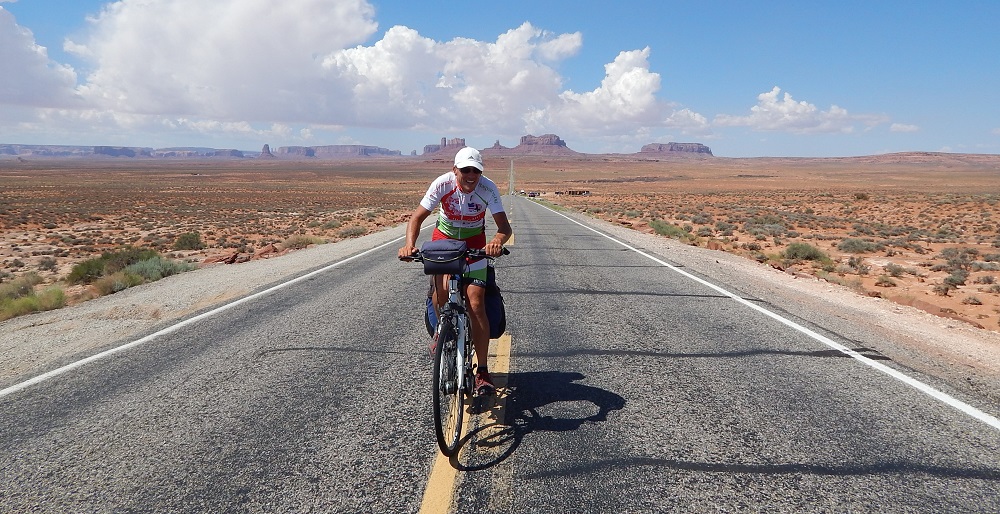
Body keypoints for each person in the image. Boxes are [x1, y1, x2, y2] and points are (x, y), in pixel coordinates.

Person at [398, 147, 512, 394]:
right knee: (440, 292)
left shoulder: (488, 188)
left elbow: (505, 228)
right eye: (465, 170)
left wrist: (496, 242)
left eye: (476, 170)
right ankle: (442, 330)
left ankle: (482, 371)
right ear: (455, 170)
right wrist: (409, 245)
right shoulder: (442, 184)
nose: (471, 175)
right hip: (444, 240)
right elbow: (416, 218)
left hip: (475, 242)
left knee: (475, 302)